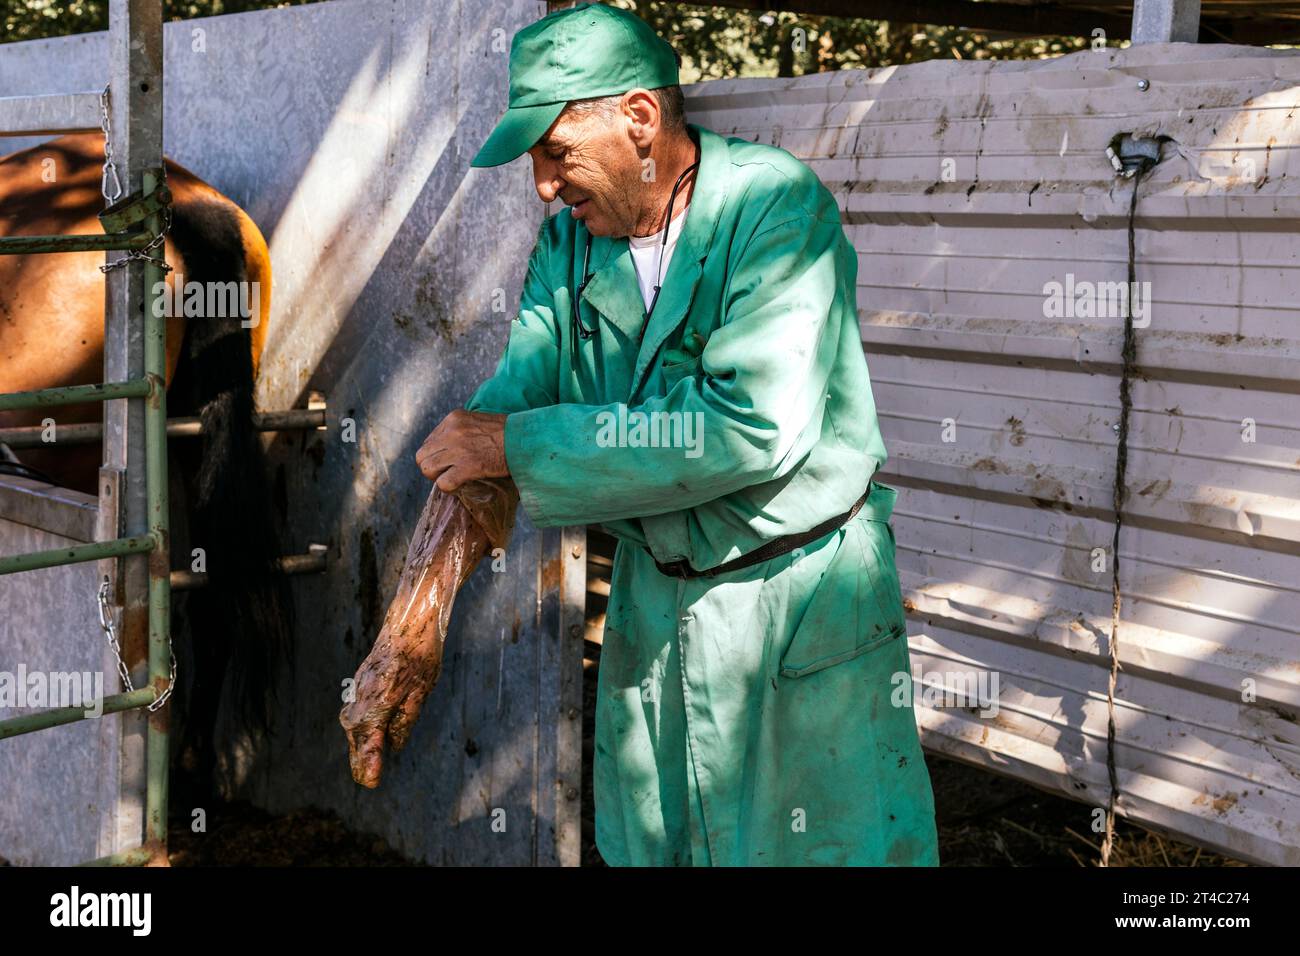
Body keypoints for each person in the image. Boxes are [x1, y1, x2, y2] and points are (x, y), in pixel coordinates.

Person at [416, 1, 939, 867]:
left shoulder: (774, 208)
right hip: (655, 599)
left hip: (796, 595)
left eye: (556, 153)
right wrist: (420, 598)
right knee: (660, 843)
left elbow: (744, 429)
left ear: (641, 119)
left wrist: (516, 447)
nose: (545, 185)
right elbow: (513, 399)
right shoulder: (569, 249)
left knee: (825, 848)